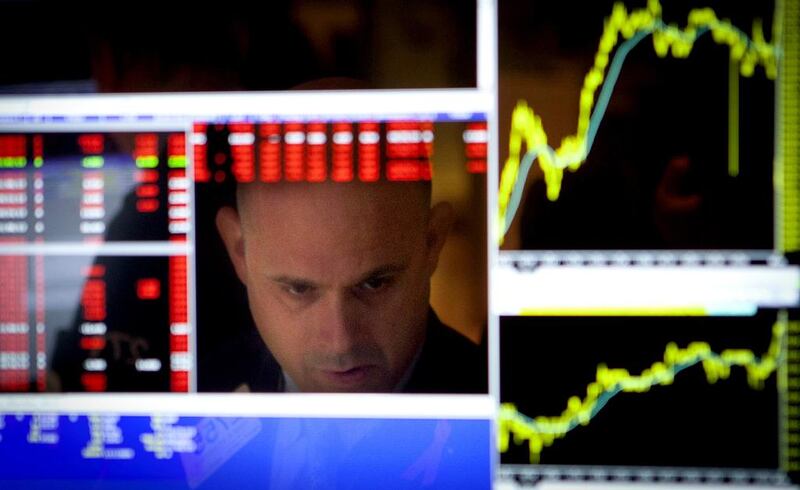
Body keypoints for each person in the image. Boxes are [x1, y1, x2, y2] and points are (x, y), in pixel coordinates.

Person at [215, 176, 487, 393]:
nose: (340, 343)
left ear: (432, 243)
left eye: (375, 284)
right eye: (299, 289)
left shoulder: (504, 402)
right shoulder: (202, 385)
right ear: (239, 252)